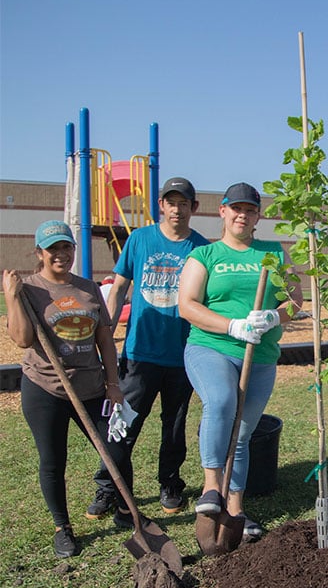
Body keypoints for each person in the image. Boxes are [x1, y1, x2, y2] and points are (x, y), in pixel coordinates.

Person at [178, 182, 302, 539]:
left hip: (260, 355)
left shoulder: (273, 254)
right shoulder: (206, 255)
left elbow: (295, 300)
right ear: (223, 211)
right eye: (236, 208)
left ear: (258, 215)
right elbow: (187, 305)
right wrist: (233, 325)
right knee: (220, 401)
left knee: (244, 432)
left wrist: (275, 317)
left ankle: (236, 511)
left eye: (249, 210)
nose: (242, 215)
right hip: (211, 347)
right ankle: (210, 488)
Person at [3, 220, 134, 557]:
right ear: (39, 253)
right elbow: (21, 340)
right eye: (53, 249)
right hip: (45, 387)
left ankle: (125, 512)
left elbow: (105, 336)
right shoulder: (30, 289)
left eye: (66, 247)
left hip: (91, 387)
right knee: (53, 460)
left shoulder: (87, 288)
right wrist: (11, 297)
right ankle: (63, 527)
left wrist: (113, 384)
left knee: (116, 449)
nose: (61, 254)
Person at [88, 177, 209, 519]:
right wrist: (106, 333)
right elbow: (119, 288)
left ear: (193, 208)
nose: (176, 208)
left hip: (182, 353)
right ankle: (108, 487)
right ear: (161, 205)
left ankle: (170, 483)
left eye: (183, 202)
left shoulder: (201, 248)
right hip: (139, 353)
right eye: (170, 202)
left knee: (174, 425)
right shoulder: (140, 239)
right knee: (122, 423)